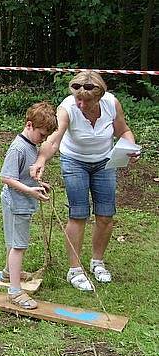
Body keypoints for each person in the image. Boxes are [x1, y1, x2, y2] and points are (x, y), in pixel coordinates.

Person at [30, 71, 140, 291]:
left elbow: (123, 130)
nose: (80, 104)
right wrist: (41, 159)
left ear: (99, 97)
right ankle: (75, 270)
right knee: (78, 214)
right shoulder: (67, 107)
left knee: (106, 215)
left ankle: (97, 262)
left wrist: (132, 146)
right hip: (74, 161)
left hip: (105, 162)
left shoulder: (111, 104)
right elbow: (53, 140)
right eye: (77, 98)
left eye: (86, 101)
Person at [0, 102, 58, 309]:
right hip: (16, 204)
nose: (43, 140)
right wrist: (30, 190)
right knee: (18, 245)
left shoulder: (30, 145)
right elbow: (6, 177)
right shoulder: (18, 148)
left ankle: (9, 273)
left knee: (14, 241)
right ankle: (15, 291)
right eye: (42, 135)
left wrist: (38, 184)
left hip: (21, 201)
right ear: (29, 125)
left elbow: (24, 175)